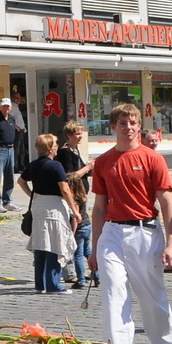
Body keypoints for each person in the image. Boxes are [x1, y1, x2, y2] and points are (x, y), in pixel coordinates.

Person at [91, 103, 172, 344]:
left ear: (139, 126)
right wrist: (94, 247)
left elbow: (166, 202)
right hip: (112, 234)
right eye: (122, 123)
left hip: (145, 232)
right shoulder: (103, 162)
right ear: (113, 127)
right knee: (114, 297)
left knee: (152, 297)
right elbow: (99, 207)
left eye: (132, 123)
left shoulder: (152, 159)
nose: (127, 127)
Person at [21, 134, 81, 294]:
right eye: (55, 144)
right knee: (55, 244)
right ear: (50, 148)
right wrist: (75, 211)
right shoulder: (56, 166)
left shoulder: (33, 165)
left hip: (38, 206)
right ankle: (53, 284)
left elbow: (21, 181)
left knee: (41, 245)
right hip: (54, 208)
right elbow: (64, 189)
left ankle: (40, 284)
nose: (57, 147)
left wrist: (32, 195)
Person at [57, 121, 96, 286]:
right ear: (68, 136)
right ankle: (74, 275)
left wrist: (89, 171)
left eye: (81, 133)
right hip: (73, 196)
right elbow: (70, 176)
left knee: (85, 243)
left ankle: (94, 272)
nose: (80, 137)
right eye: (77, 134)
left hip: (81, 194)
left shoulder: (75, 150)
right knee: (76, 237)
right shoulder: (65, 152)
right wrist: (87, 168)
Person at [0, 97, 22, 212]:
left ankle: (7, 201)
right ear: (0, 107)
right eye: (4, 106)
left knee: (9, 176)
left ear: (10, 107)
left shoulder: (11, 118)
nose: (6, 108)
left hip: (11, 149)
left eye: (8, 106)